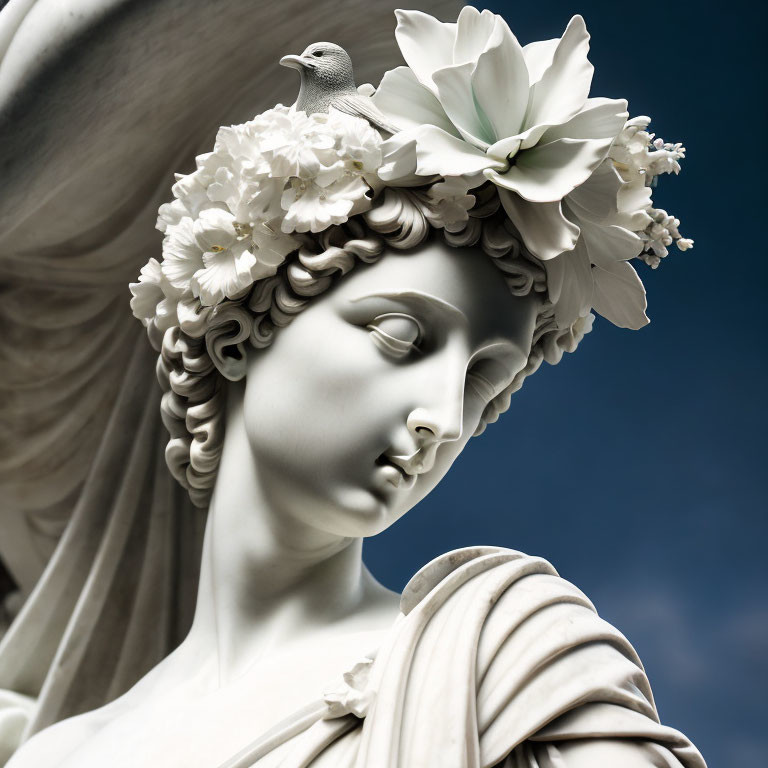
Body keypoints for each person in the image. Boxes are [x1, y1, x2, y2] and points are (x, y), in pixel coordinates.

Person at [2, 6, 705, 767]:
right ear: (239, 328)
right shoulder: (59, 756)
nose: (443, 418)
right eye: (402, 337)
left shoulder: (503, 660)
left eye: (481, 382)